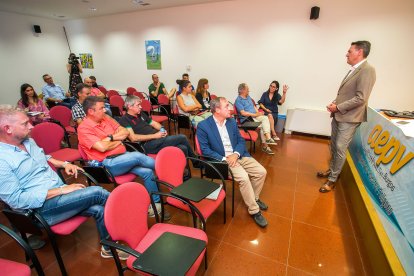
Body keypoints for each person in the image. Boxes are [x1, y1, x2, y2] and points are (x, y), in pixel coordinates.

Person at [0, 105, 127, 260]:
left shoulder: (28, 141)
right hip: (39, 210)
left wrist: (64, 164)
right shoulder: (2, 160)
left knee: (98, 209)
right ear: (8, 129)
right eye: (25, 123)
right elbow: (16, 200)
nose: (31, 126)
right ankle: (130, 220)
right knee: (98, 192)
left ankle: (109, 248)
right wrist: (60, 191)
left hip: (58, 195)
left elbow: (44, 158)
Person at [77, 96, 170, 219]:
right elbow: (102, 148)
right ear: (91, 111)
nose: (105, 110)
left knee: (147, 172)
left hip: (123, 158)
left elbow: (124, 132)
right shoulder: (84, 128)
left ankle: (156, 205)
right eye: (101, 108)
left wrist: (110, 138)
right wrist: (118, 140)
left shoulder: (105, 118)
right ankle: (168, 172)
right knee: (137, 155)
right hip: (107, 164)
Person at [197, 97, 268, 228]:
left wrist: (236, 154)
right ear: (217, 110)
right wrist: (226, 159)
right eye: (226, 107)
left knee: (261, 172)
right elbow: (205, 150)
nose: (230, 109)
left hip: (239, 155)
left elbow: (241, 141)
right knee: (244, 178)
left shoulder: (231, 122)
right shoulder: (203, 126)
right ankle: (254, 210)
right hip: (224, 160)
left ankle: (254, 198)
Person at [318, 40, 376, 193]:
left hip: (350, 118)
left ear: (359, 52)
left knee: (340, 148)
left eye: (349, 51)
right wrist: (335, 103)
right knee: (333, 145)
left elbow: (361, 98)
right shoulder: (354, 69)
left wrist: (338, 107)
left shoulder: (367, 70)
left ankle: (332, 180)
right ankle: (331, 170)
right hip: (339, 115)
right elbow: (346, 94)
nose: (347, 54)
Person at [119, 95, 197, 159]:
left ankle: (185, 173)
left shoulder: (141, 114)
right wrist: (155, 136)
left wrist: (162, 129)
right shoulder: (124, 120)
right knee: (182, 137)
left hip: (157, 140)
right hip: (146, 145)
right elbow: (133, 138)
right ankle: (196, 162)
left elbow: (154, 123)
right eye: (138, 105)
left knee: (183, 148)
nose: (140, 107)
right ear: (129, 106)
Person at [234, 83, 277, 155]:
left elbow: (253, 106)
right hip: (246, 121)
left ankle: (268, 137)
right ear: (242, 90)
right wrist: (255, 114)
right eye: (247, 89)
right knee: (263, 125)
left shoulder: (248, 97)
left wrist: (258, 113)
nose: (249, 90)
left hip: (254, 117)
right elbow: (243, 113)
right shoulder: (238, 100)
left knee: (265, 118)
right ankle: (265, 145)